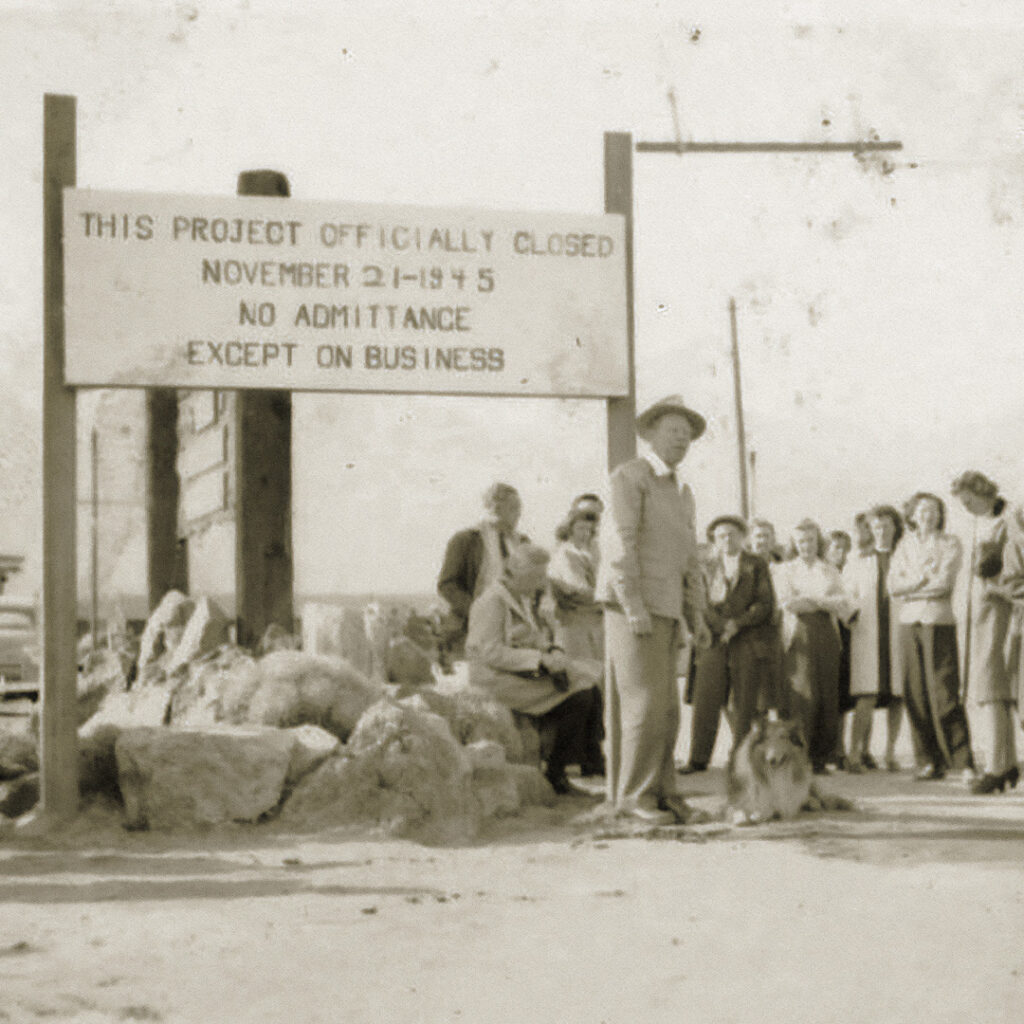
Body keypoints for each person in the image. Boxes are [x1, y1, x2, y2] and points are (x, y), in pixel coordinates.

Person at [597, 394, 711, 824]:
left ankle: (665, 794)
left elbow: (690, 560)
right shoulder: (630, 477)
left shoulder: (682, 491)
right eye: (673, 431)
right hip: (634, 608)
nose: (681, 439)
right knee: (643, 706)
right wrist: (633, 605)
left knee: (667, 709)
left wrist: (697, 616)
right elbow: (619, 545)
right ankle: (634, 798)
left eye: (687, 434)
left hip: (667, 608)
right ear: (650, 435)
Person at [465, 543, 603, 793]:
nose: (541, 584)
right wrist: (539, 660)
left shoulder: (517, 598)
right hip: (494, 680)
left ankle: (591, 761)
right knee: (580, 695)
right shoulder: (492, 602)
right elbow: (488, 652)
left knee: (591, 682)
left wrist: (552, 650)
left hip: (515, 672)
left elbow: (531, 636)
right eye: (537, 577)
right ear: (518, 573)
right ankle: (557, 772)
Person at [888, 492, 974, 781]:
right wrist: (921, 579)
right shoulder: (904, 544)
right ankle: (928, 760)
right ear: (913, 515)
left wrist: (911, 587)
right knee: (915, 692)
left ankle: (963, 762)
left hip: (938, 621)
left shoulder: (950, 543)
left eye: (934, 510)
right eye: (923, 510)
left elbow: (944, 584)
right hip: (908, 622)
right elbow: (893, 586)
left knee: (944, 691)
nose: (929, 515)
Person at [682, 515, 774, 773]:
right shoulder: (706, 564)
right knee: (706, 697)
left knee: (745, 701)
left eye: (732, 534)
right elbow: (699, 600)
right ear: (714, 539)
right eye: (720, 535)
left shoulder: (755, 564)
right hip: (712, 639)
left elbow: (765, 602)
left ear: (742, 536)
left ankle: (742, 757)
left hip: (746, 638)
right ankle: (698, 759)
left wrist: (738, 624)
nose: (726, 540)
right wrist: (720, 625)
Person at [952, 470, 1024, 794]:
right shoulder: (978, 524)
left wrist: (998, 589)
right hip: (979, 616)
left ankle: (998, 766)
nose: (966, 507)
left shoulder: (1008, 521)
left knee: (993, 688)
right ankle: (1004, 762)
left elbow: (1012, 569)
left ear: (983, 492)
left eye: (969, 500)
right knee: (989, 690)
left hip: (1000, 613)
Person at [774, 519, 851, 773]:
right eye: (801, 541)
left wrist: (812, 600)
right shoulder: (786, 570)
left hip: (827, 634)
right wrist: (823, 601)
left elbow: (841, 602)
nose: (806, 545)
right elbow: (789, 604)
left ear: (819, 542)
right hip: (799, 634)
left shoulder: (829, 569)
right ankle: (799, 755)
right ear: (794, 544)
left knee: (827, 693)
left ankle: (821, 757)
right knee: (803, 694)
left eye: (811, 540)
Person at [843, 505, 906, 773]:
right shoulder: (857, 560)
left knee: (897, 695)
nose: (881, 531)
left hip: (897, 629)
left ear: (895, 528)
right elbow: (846, 594)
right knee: (866, 693)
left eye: (886, 526)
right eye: (876, 527)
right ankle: (854, 753)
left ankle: (890, 752)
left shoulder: (904, 556)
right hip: (867, 631)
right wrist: (851, 614)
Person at [437, 483, 528, 663]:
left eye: (520, 508)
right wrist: (477, 612)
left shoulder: (523, 543)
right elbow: (447, 584)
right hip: (472, 630)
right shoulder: (466, 540)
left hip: (514, 631)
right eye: (513, 508)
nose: (519, 514)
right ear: (495, 508)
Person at [549, 505, 604, 662]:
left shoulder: (586, 553)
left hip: (590, 619)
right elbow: (579, 588)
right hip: (574, 621)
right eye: (580, 528)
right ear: (569, 528)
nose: (585, 534)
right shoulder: (567, 553)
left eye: (589, 529)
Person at [824, 530, 854, 767]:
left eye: (845, 548)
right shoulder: (822, 572)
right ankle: (826, 747)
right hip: (826, 632)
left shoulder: (851, 573)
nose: (841, 553)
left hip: (848, 633)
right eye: (836, 547)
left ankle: (840, 748)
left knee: (842, 695)